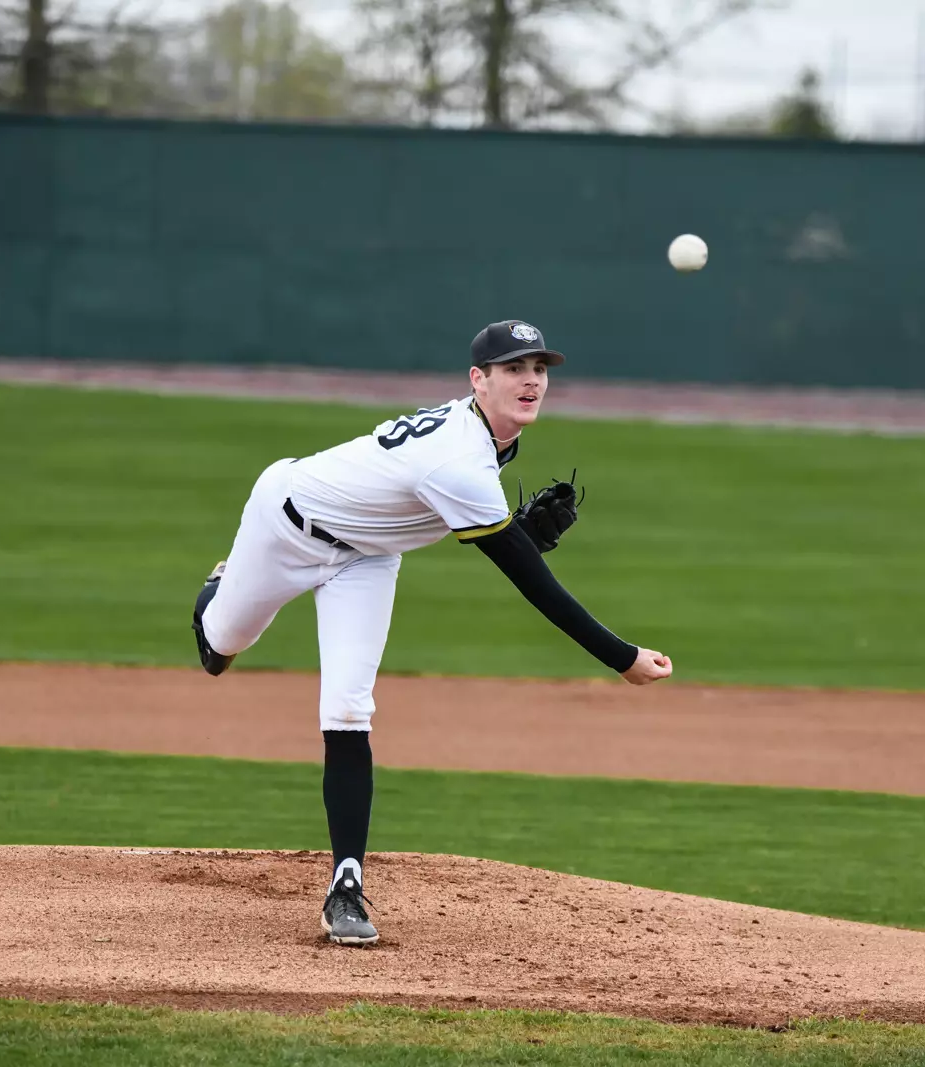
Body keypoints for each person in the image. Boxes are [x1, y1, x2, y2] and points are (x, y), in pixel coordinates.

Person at [191, 319, 673, 946]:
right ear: (478, 380)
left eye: (539, 369)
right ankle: (220, 589)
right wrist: (621, 656)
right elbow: (533, 583)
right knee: (219, 649)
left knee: (348, 709)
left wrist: (512, 532)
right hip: (283, 524)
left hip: (366, 559)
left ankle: (345, 888)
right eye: (513, 369)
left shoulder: (487, 439)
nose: (531, 381)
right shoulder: (460, 461)